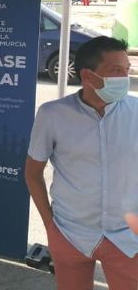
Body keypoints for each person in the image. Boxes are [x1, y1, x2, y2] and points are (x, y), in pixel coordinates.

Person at [25, 36, 138, 290]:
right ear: (88, 76)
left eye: (127, 70)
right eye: (116, 71)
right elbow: (33, 173)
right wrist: (50, 227)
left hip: (127, 237)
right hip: (69, 234)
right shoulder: (52, 115)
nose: (125, 78)